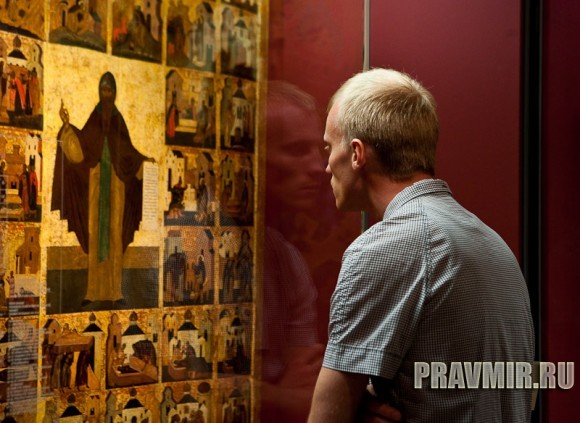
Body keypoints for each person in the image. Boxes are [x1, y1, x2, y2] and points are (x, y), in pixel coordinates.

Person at [308, 69, 534, 422]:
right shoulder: (492, 243)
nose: (326, 167)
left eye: (328, 147)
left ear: (356, 153)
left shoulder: (385, 247)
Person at [51, 72, 153, 306]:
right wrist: (66, 126)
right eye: (104, 90)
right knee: (95, 235)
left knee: (115, 235)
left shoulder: (118, 121)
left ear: (114, 93)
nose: (106, 94)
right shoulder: (94, 118)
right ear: (100, 92)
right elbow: (81, 149)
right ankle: (92, 292)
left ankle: (116, 292)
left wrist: (144, 161)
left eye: (110, 90)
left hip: (117, 184)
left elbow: (128, 151)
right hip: (96, 182)